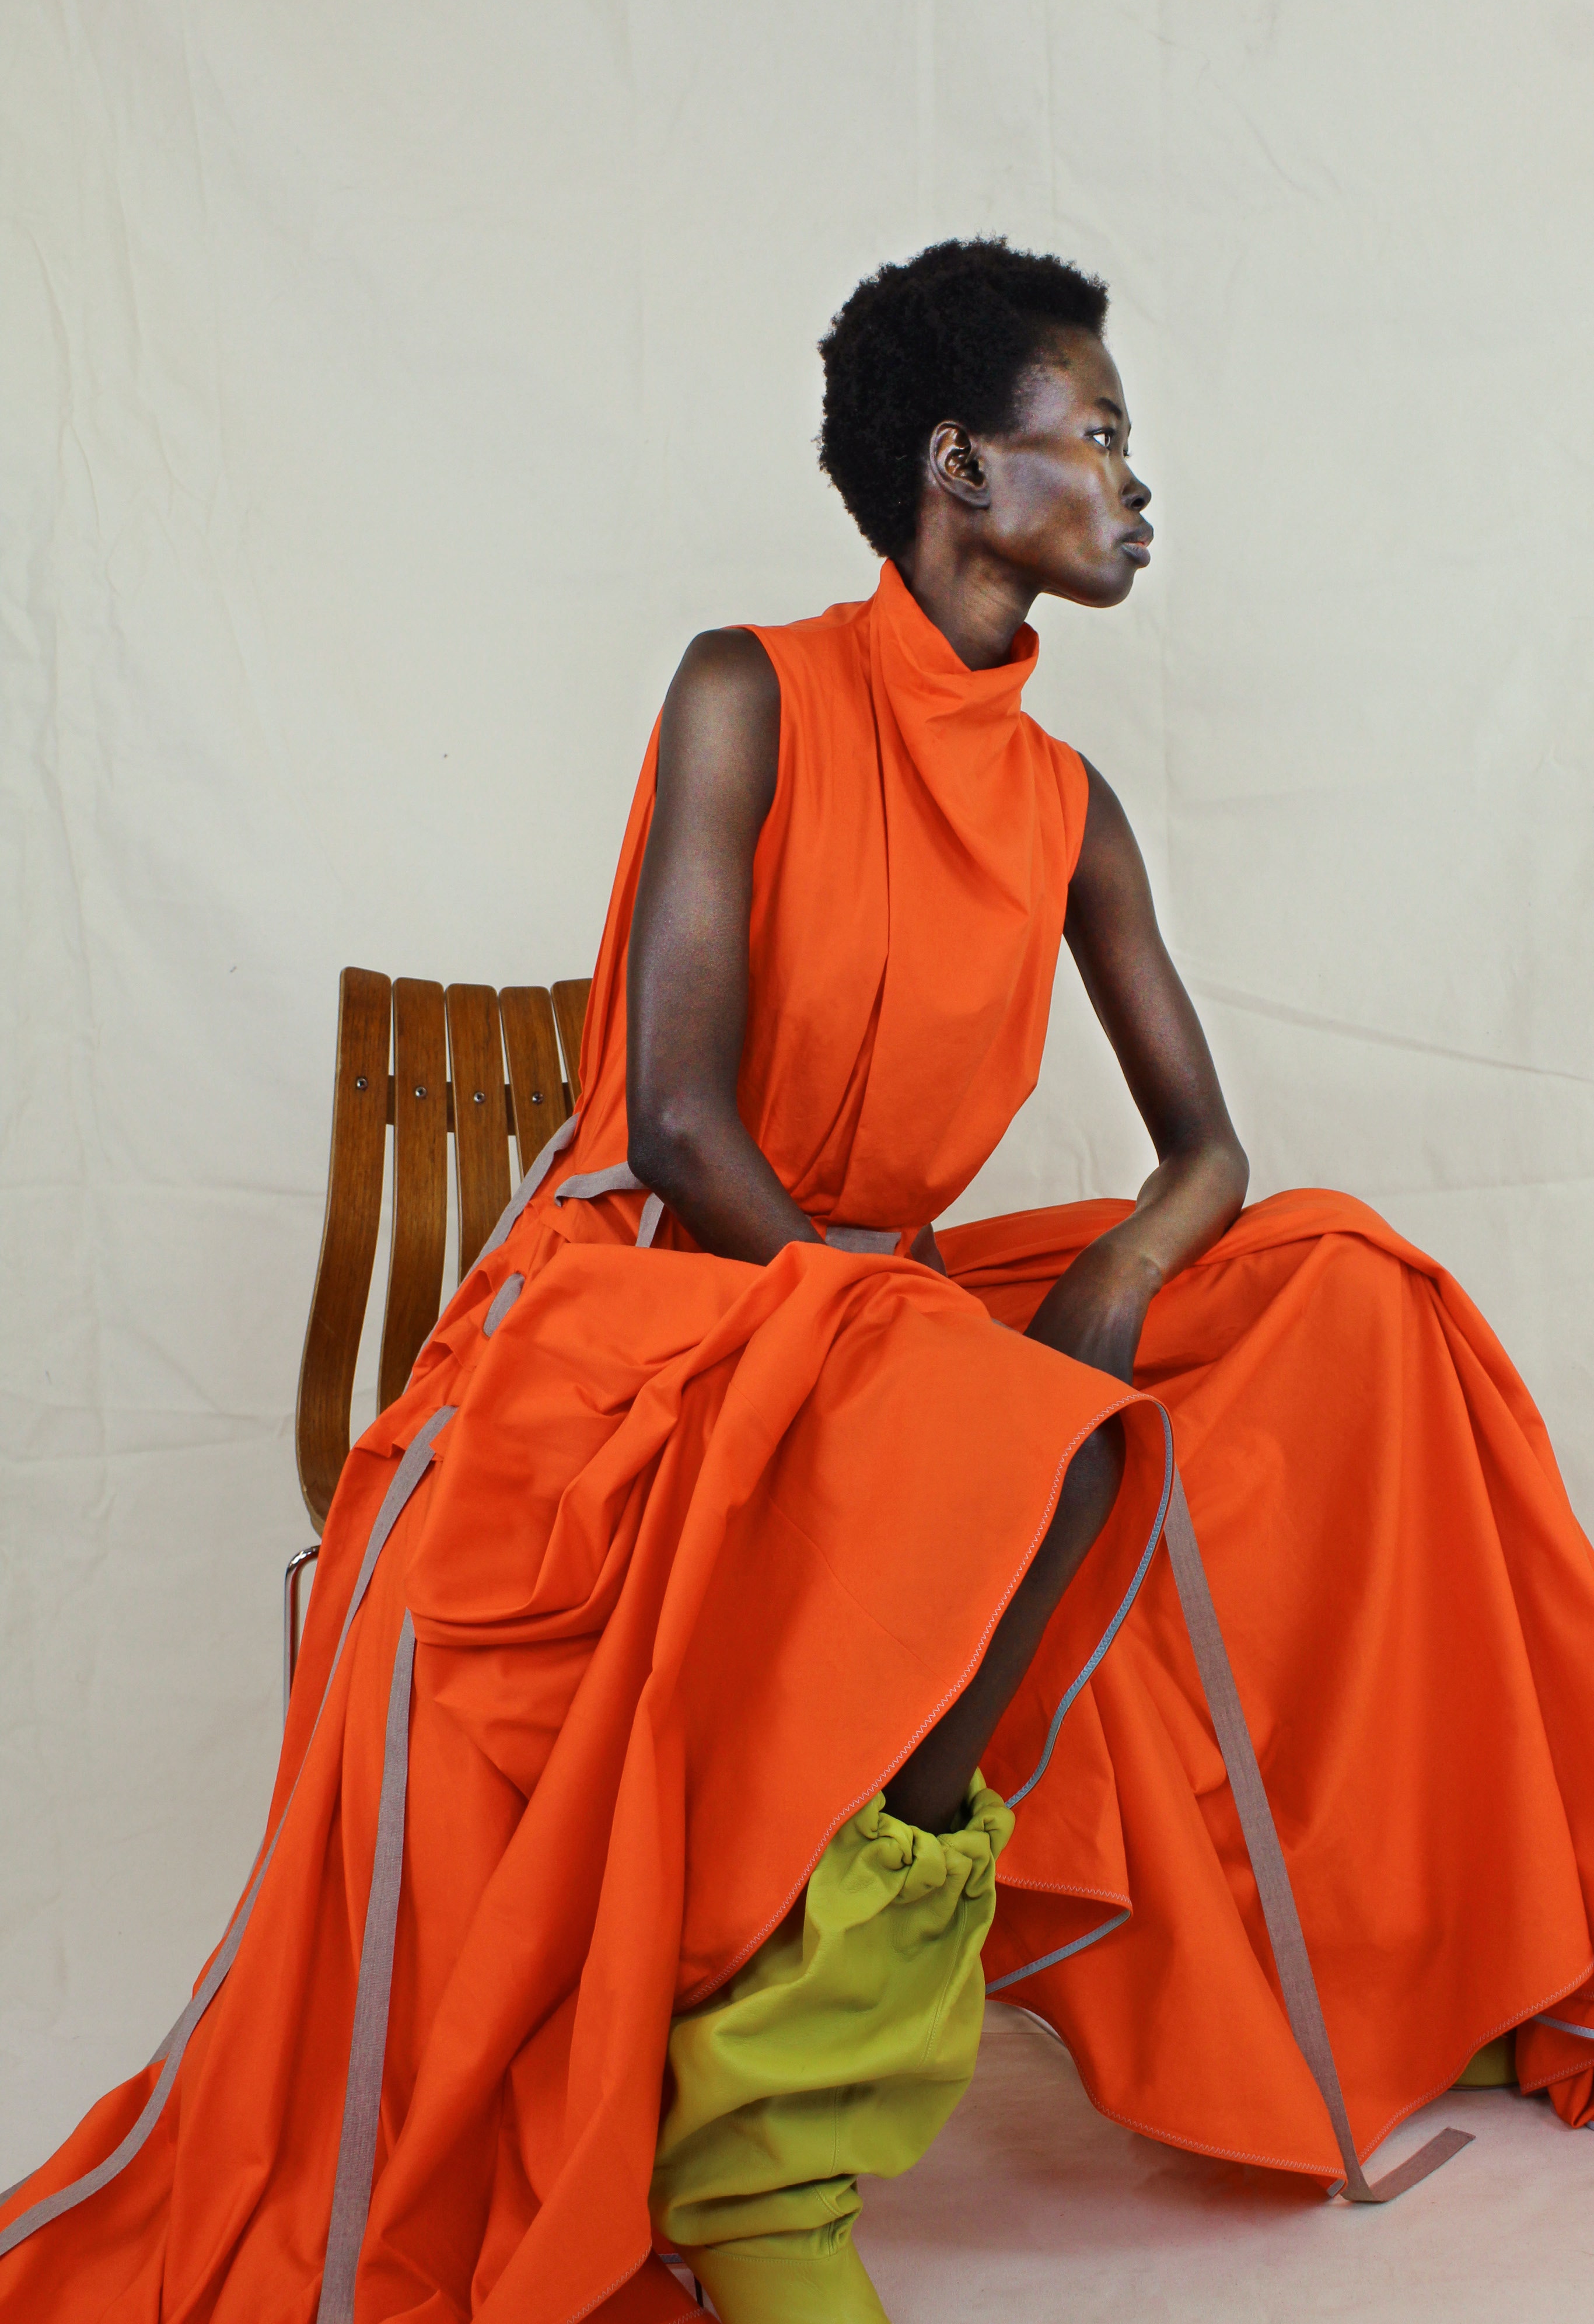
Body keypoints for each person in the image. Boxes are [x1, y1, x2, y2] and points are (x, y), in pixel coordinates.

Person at [3, 237, 1592, 2323]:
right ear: (959, 464)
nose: (1134, 484)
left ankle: (1416, 1941)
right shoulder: (744, 687)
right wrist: (898, 1322)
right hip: (664, 1279)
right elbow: (675, 1117)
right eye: (1095, 433)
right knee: (1028, 1434)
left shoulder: (1069, 804)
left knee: (1353, 1291)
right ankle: (772, 2131)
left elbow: (1206, 1147)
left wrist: (1119, 1271)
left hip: (880, 1299)